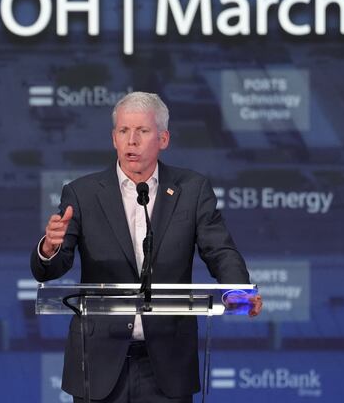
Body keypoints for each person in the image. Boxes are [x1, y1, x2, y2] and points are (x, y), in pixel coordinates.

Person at [31, 91, 263, 403]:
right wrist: (49, 247)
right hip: (99, 362)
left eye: (142, 131)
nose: (132, 141)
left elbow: (219, 249)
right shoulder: (81, 193)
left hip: (168, 362)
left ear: (163, 138)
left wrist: (239, 289)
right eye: (124, 131)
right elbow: (54, 266)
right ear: (114, 138)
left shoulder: (191, 190)